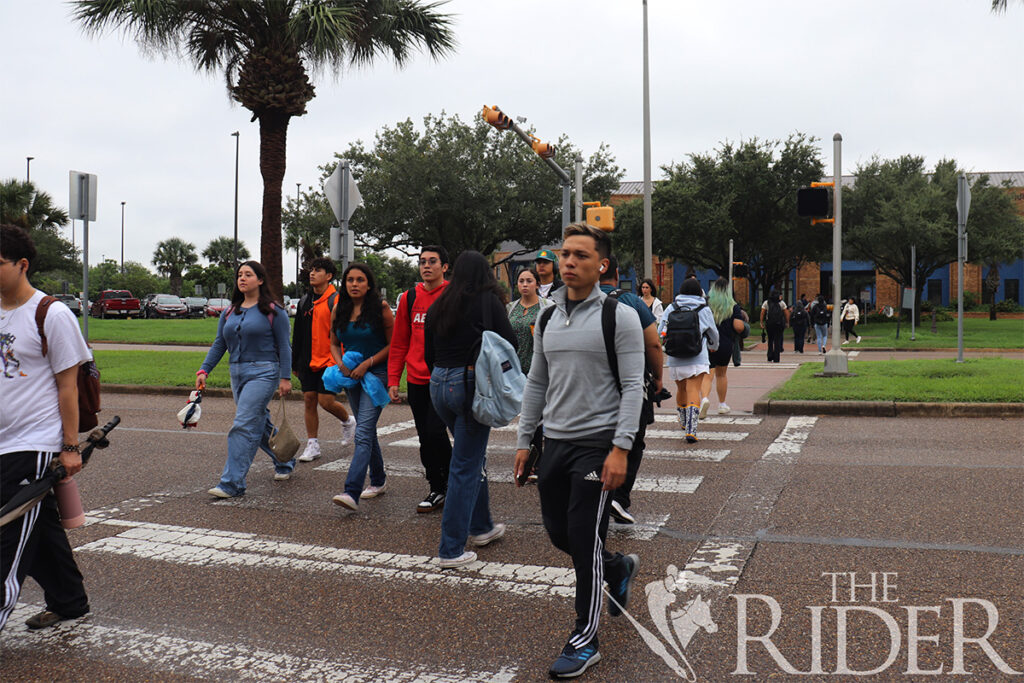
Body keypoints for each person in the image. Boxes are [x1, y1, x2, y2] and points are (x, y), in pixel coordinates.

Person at [514, 222, 644, 679]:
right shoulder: (547, 316)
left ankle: (584, 639)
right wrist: (525, 440)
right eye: (564, 254)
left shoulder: (619, 316)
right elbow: (537, 382)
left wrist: (621, 448)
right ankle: (618, 567)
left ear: (601, 265)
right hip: (557, 442)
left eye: (580, 256)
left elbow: (633, 387)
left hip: (598, 446)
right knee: (558, 534)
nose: (568, 262)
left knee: (585, 538)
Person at [0, 225, 91, 631]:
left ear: (22, 265)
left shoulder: (50, 313)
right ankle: (69, 601)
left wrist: (70, 446)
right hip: (3, 441)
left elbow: (68, 386)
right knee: (36, 527)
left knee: (5, 539)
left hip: (33, 441)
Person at [424, 251, 514, 568]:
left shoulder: (440, 303)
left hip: (439, 384)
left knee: (472, 456)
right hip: (470, 384)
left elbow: (428, 353)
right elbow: (509, 342)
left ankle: (481, 527)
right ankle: (450, 550)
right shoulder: (488, 301)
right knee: (464, 464)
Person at [198, 260, 294, 497]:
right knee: (257, 422)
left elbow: (284, 346)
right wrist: (204, 370)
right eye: (239, 275)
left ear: (260, 280)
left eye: (248, 274)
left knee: (242, 424)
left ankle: (232, 483)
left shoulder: (274, 311)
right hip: (237, 372)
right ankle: (285, 460)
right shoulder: (230, 311)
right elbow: (220, 343)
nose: (242, 278)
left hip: (264, 371)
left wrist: (285, 377)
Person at [598, 257, 663, 526]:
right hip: (630, 382)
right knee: (634, 440)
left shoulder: (576, 301)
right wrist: (658, 379)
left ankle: (594, 494)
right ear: (616, 274)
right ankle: (619, 497)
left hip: (592, 386)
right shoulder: (632, 302)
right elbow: (654, 345)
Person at [388, 246, 453, 514]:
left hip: (445, 377)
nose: (426, 266)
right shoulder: (410, 297)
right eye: (422, 262)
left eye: (432, 262)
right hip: (416, 379)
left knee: (438, 432)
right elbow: (400, 340)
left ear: (444, 267)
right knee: (425, 436)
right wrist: (394, 378)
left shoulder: (452, 294)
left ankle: (452, 481)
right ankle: (436, 485)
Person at [330, 263, 394, 511]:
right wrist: (340, 365)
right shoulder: (339, 309)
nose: (354, 284)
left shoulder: (381, 309)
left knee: (363, 433)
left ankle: (351, 491)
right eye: (350, 280)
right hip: (351, 375)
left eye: (360, 280)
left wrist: (368, 363)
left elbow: (392, 345)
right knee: (368, 431)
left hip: (376, 374)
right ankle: (378, 480)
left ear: (369, 284)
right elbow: (334, 343)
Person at [292, 257, 357, 462]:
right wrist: (295, 363)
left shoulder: (336, 300)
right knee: (309, 400)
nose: (312, 273)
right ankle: (313, 444)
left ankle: (348, 421)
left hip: (331, 361)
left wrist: (343, 360)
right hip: (307, 360)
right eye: (311, 270)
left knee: (326, 401)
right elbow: (298, 334)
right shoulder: (304, 301)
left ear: (329, 276)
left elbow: (344, 333)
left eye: (318, 270)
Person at [505, 266, 553, 482]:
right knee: (528, 417)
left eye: (529, 281)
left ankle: (537, 463)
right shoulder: (511, 308)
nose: (524, 285)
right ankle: (531, 461)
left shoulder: (547, 307)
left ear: (537, 284)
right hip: (516, 371)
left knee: (537, 417)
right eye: (521, 281)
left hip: (540, 370)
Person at [660, 278, 718, 443]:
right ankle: (692, 430)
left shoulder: (672, 307)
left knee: (681, 389)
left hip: (675, 356)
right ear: (699, 292)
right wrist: (713, 345)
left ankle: (684, 422)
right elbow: (713, 333)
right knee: (694, 389)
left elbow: (660, 330)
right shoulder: (704, 309)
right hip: (697, 356)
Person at [700, 277, 745, 415]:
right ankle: (722, 404)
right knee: (721, 375)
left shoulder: (706, 303)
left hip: (708, 343)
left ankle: (705, 399)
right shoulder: (733, 306)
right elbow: (738, 327)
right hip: (725, 343)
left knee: (707, 374)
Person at [759, 288, 789, 363]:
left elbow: (762, 312)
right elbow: (786, 313)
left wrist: (761, 322)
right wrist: (787, 322)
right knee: (777, 340)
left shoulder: (766, 302)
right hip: (779, 324)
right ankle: (776, 358)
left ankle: (769, 355)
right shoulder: (781, 303)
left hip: (769, 324)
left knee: (770, 339)